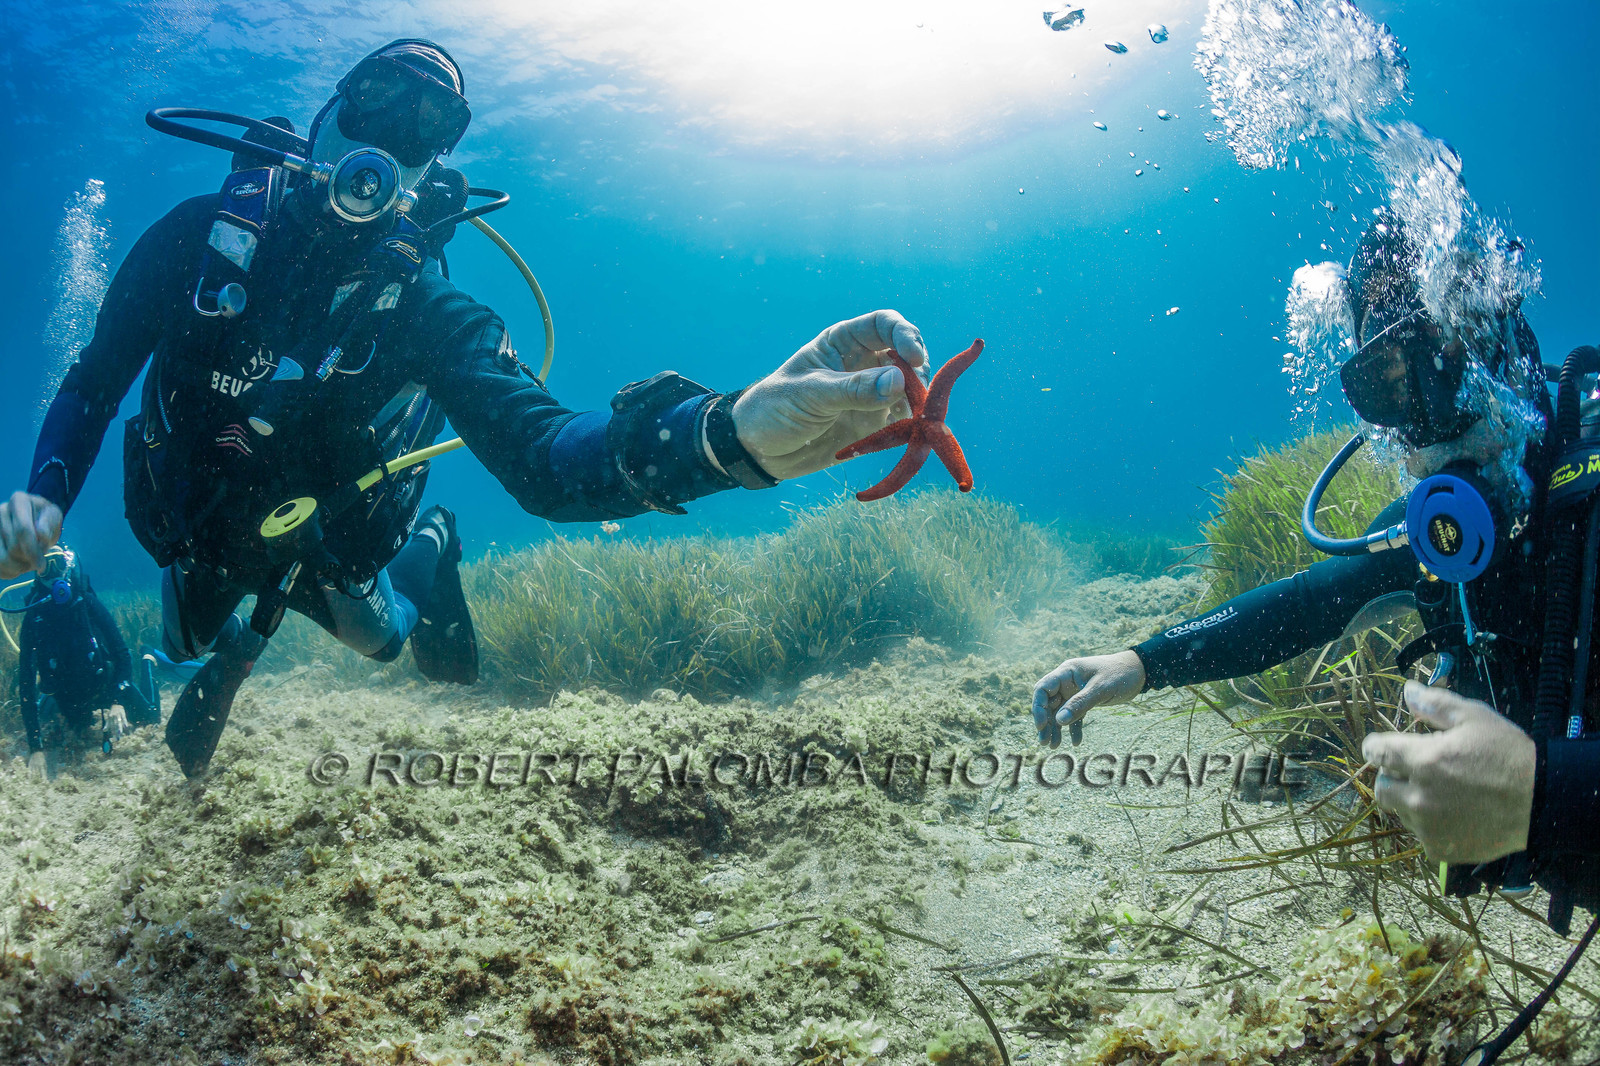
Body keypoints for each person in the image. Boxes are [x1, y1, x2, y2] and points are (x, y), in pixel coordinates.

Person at [0, 39, 933, 779]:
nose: (389, 140)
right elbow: (92, 382)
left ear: (430, 168)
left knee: (385, 641)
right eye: (377, 102)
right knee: (179, 640)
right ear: (326, 113)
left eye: (425, 129)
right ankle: (237, 629)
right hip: (201, 525)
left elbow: (549, 455)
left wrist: (723, 436)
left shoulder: (427, 312)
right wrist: (42, 504)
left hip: (328, 535)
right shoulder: (196, 243)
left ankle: (429, 549)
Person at [1032, 217, 1596, 1054]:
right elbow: (1305, 603)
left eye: (1440, 365)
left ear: (1502, 337)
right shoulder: (1436, 533)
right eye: (1386, 385)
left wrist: (1542, 799)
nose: (1425, 420)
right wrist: (1144, 660)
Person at [10, 544, 157, 777]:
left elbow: (122, 654)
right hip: (69, 699)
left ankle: (149, 657)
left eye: (58, 564)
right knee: (78, 728)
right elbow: (26, 683)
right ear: (36, 572)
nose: (53, 573)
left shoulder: (87, 603)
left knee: (151, 718)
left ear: (68, 566)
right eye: (44, 567)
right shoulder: (33, 618)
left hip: (105, 686)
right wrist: (35, 747)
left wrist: (117, 700)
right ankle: (50, 706)